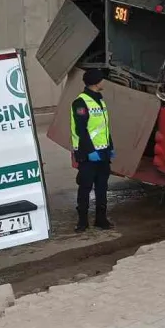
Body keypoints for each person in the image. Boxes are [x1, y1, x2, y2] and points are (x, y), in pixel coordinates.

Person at [72, 69, 114, 232]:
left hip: (102, 153)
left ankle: (101, 220)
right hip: (88, 155)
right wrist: (90, 150)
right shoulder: (80, 102)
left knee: (102, 187)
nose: (104, 82)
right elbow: (81, 130)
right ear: (96, 82)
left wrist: (110, 147)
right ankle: (82, 222)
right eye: (102, 79)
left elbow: (104, 127)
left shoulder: (100, 100)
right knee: (85, 187)